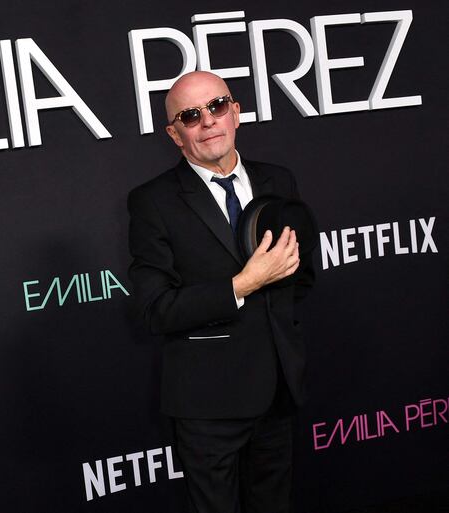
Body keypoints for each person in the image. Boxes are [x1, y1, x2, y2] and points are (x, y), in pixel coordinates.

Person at [127, 71, 314, 513]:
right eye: (190, 116)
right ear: (175, 134)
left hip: (277, 390)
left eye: (216, 106)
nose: (208, 121)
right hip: (207, 404)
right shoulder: (152, 202)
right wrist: (243, 285)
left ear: (236, 112)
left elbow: (301, 276)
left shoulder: (278, 181)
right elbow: (156, 310)